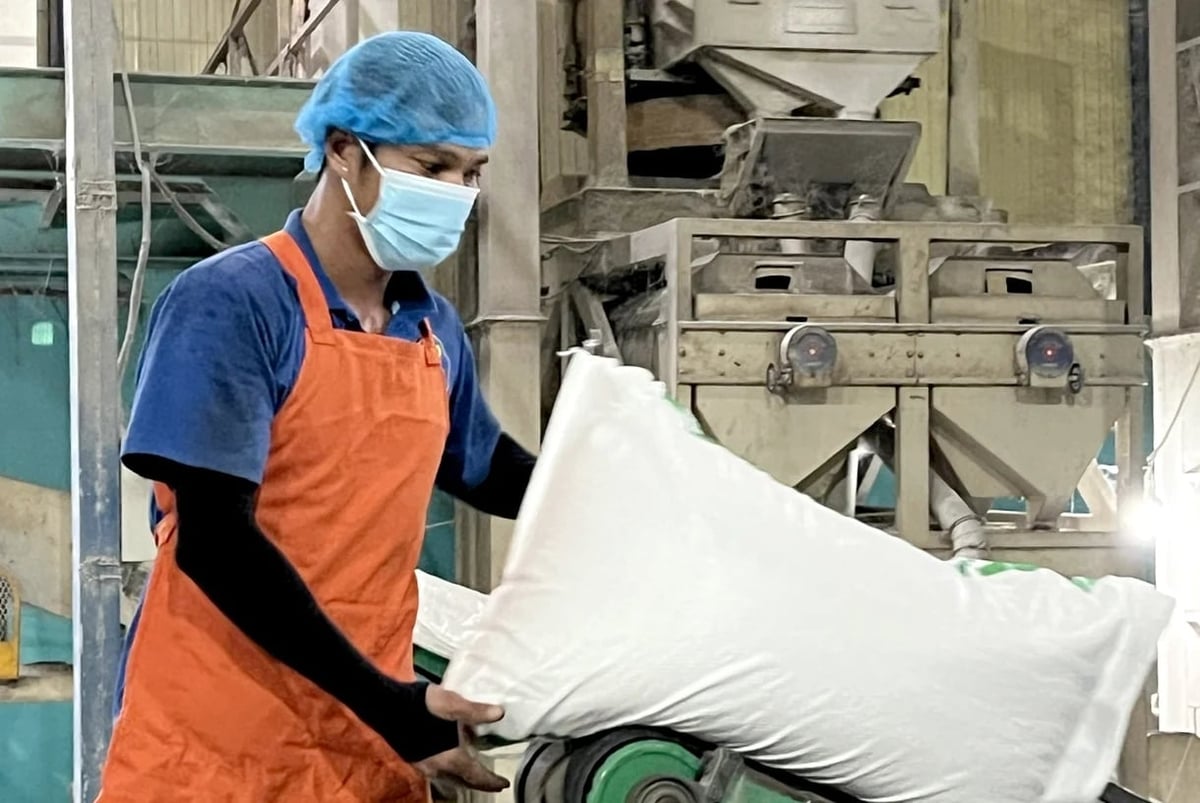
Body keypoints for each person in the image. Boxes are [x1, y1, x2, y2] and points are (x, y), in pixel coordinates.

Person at [98, 31, 536, 803]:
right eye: (432, 166)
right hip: (218, 751)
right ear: (343, 150)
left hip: (365, 755)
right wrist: (390, 707)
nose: (456, 191)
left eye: (470, 173)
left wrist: (618, 489)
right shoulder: (233, 303)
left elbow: (488, 468)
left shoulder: (432, 330)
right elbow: (217, 541)